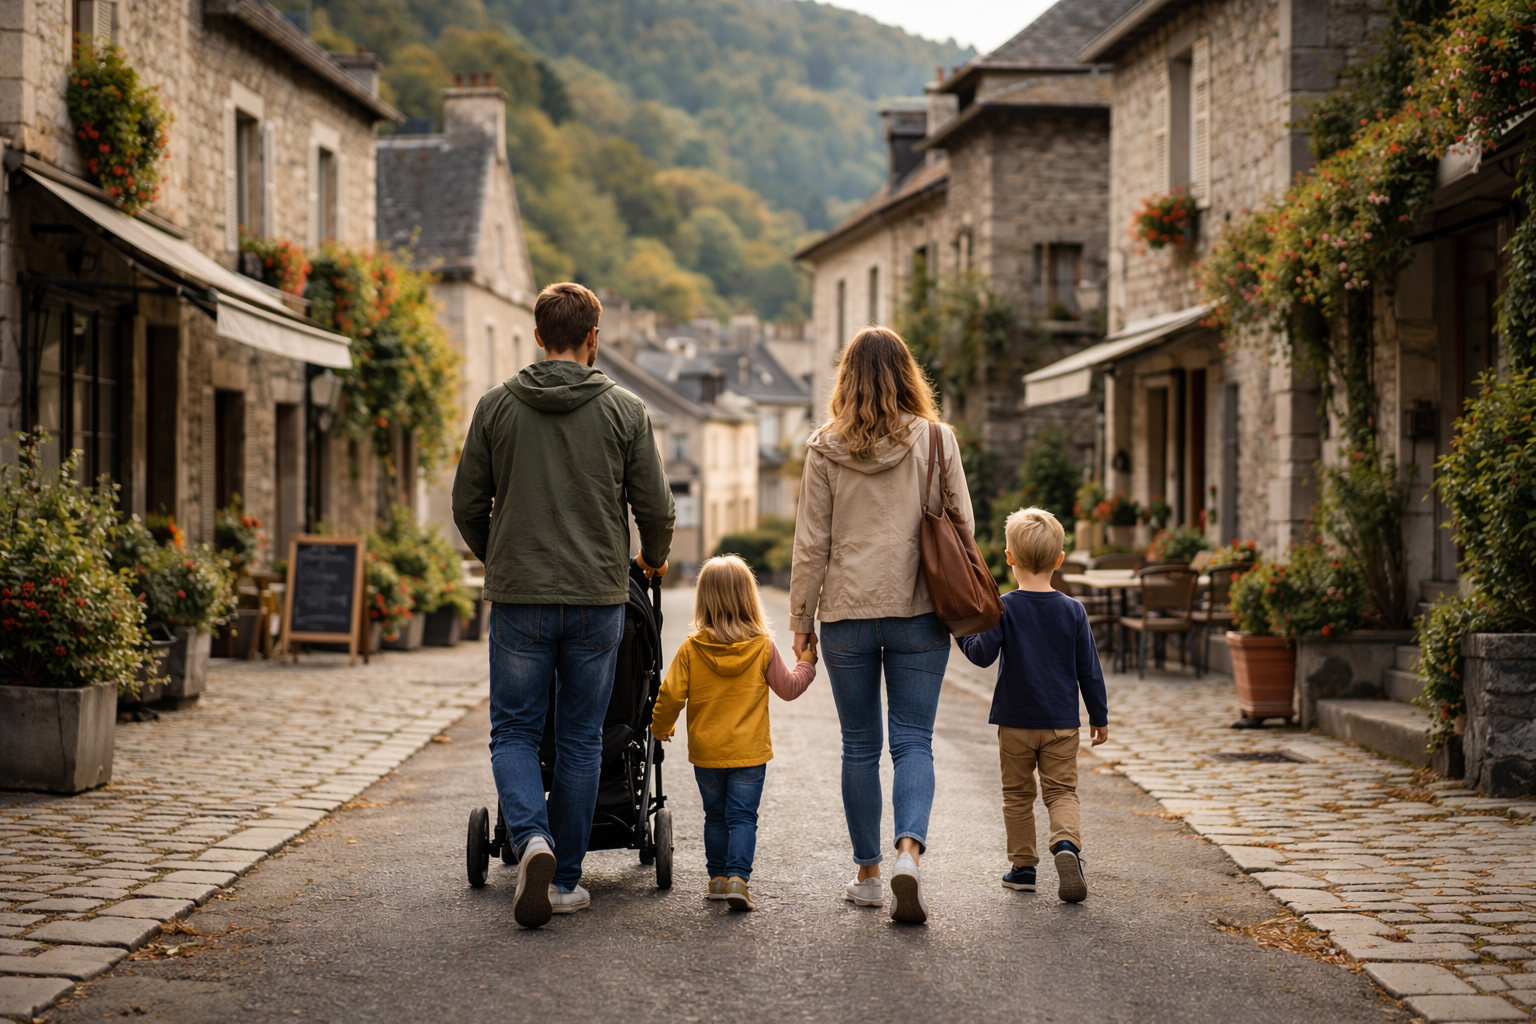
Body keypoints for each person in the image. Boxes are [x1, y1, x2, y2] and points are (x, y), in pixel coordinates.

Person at [452, 282, 675, 929]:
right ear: (593, 339)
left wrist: (501, 557)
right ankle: (568, 880)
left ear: (537, 336)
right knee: (582, 737)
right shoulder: (625, 411)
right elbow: (656, 508)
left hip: (521, 597)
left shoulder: (496, 409)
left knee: (515, 730)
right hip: (597, 599)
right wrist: (653, 557)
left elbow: (468, 505)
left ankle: (532, 839)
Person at [789, 325, 971, 925]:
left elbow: (811, 544)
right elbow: (963, 529)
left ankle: (868, 875)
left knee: (860, 746)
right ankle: (908, 854)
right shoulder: (938, 441)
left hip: (846, 615)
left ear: (846, 379)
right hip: (921, 610)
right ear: (907, 373)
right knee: (914, 740)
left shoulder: (823, 449)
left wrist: (801, 622)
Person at [957, 507, 1109, 904]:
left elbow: (982, 655)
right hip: (1061, 723)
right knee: (1061, 793)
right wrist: (1099, 716)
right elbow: (1089, 669)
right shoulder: (1074, 610)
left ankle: (1023, 868)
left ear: (1009, 559)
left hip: (1015, 722)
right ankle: (1066, 847)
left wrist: (960, 630)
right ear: (1060, 560)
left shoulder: (1004, 606)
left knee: (1018, 795)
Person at [651, 555, 817, 912]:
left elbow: (669, 694)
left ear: (704, 600)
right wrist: (807, 663)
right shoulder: (762, 647)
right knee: (742, 817)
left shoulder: (692, 649)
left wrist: (660, 727)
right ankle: (739, 880)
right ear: (749, 598)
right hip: (749, 753)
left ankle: (717, 879)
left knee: (715, 816)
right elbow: (788, 689)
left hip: (708, 753)